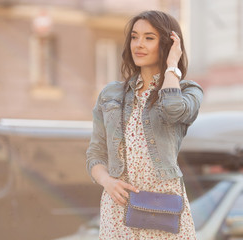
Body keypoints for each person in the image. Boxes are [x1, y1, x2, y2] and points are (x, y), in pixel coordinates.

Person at [86, 10, 203, 239]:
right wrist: (107, 181)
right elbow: (95, 154)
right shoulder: (111, 94)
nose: (138, 44)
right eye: (134, 37)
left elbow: (172, 110)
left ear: (168, 45)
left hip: (164, 209)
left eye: (149, 38)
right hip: (117, 211)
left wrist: (172, 66)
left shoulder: (188, 91)